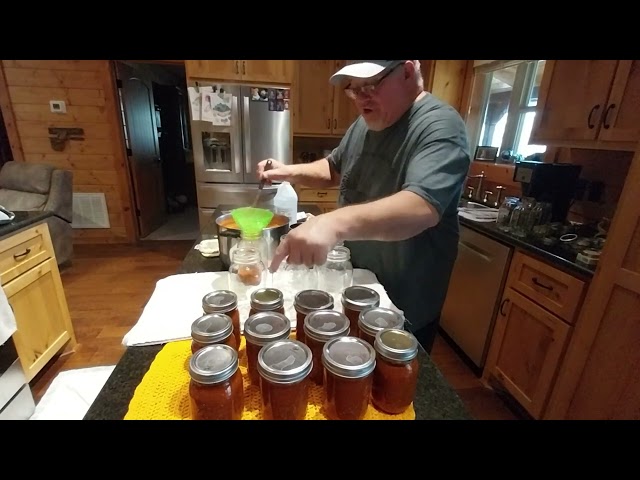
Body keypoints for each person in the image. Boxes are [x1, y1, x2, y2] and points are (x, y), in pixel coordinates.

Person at [256, 60, 471, 354]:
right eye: (353, 90)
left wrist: (330, 223)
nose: (360, 98)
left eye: (370, 86)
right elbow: (334, 168)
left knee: (395, 393)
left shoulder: (440, 126)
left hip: (404, 303)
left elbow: (421, 207)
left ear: (408, 72)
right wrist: (287, 171)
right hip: (358, 287)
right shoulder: (365, 123)